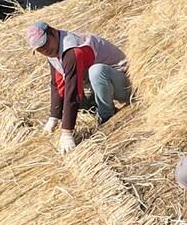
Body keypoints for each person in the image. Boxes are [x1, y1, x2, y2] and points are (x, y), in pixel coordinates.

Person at [25, 20, 131, 153]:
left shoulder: (71, 50)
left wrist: (66, 133)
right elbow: (57, 85)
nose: (44, 50)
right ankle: (96, 106)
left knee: (96, 72)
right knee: (77, 103)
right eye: (39, 49)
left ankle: (107, 116)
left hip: (125, 84)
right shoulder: (53, 51)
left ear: (53, 32)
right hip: (105, 84)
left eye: (45, 44)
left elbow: (73, 91)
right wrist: (54, 117)